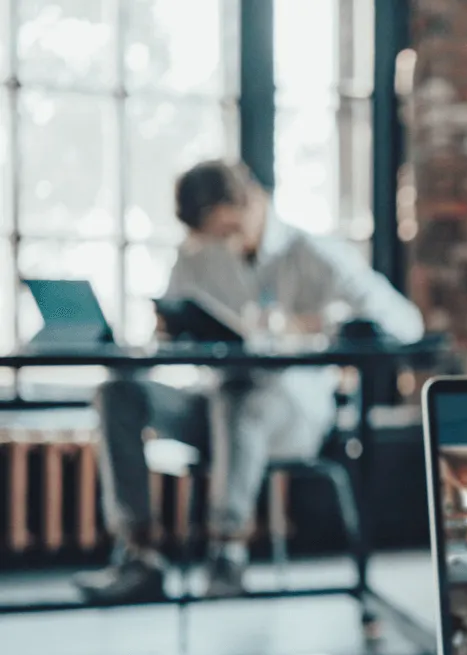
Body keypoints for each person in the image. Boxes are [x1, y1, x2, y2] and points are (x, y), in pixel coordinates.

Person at [78, 161, 424, 603]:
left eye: (230, 229)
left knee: (240, 395)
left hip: (291, 416)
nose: (224, 243)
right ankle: (138, 555)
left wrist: (316, 324)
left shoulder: (312, 253)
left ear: (254, 201)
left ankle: (228, 553)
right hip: (212, 408)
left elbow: (405, 323)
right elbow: (175, 326)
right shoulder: (196, 254)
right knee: (117, 395)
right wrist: (167, 334)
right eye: (213, 236)